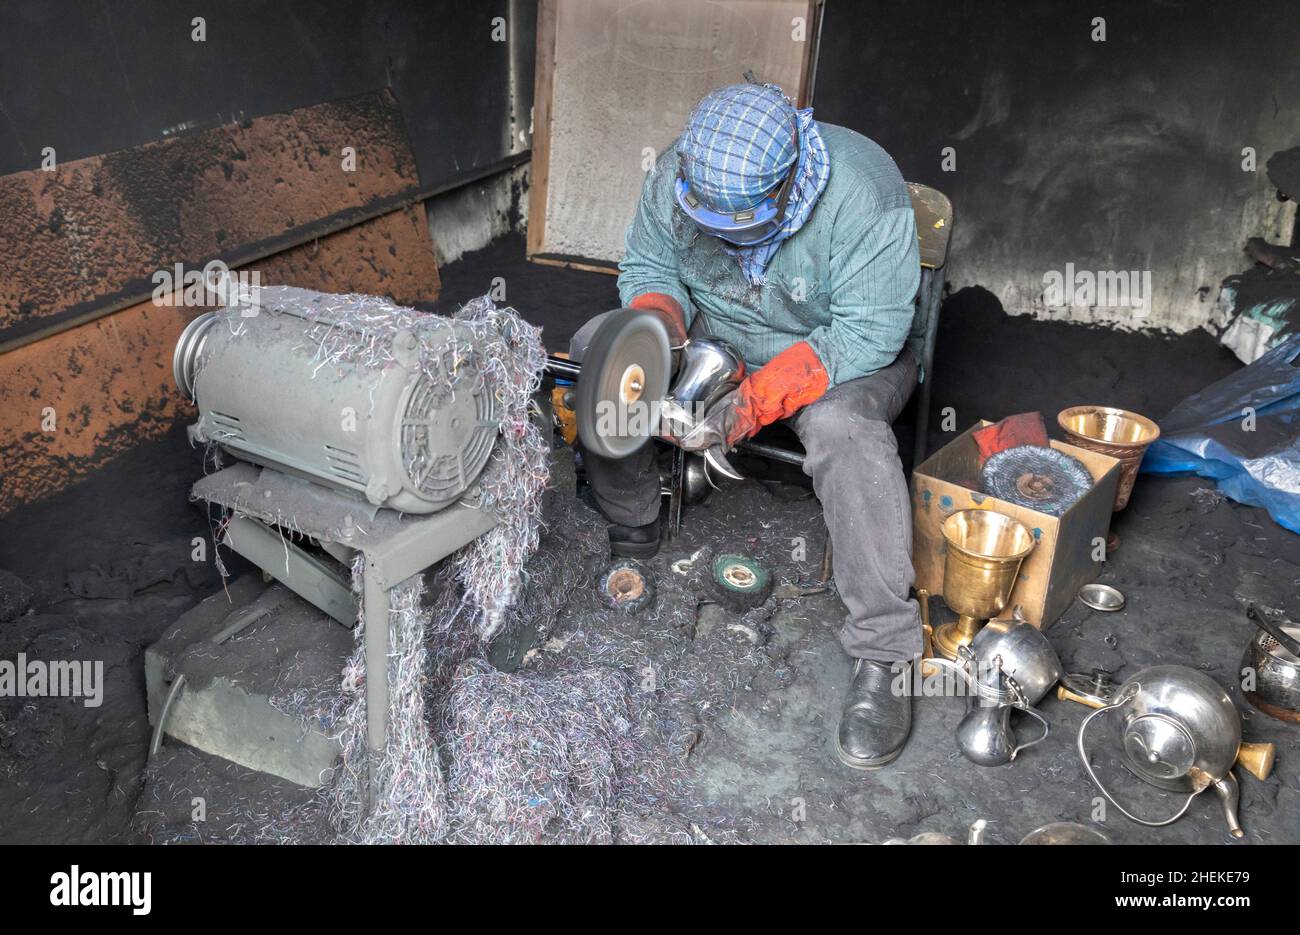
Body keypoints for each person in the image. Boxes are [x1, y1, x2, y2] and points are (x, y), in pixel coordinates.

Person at [570, 80, 924, 769]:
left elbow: (872, 329)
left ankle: (886, 654)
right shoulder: (683, 166)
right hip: (720, 327)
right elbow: (649, 265)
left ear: (790, 185)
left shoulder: (864, 190)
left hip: (837, 348)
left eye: (738, 225)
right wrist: (659, 335)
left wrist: (752, 404)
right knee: (601, 348)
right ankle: (632, 523)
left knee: (846, 434)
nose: (718, 236)